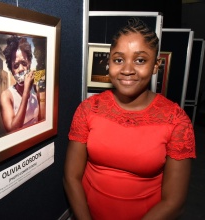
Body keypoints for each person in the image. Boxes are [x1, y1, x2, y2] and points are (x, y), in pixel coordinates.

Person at [63, 18, 196, 220]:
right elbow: (71, 177)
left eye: (140, 60)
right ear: (108, 63)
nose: (127, 69)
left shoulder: (176, 120)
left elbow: (174, 202)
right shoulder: (89, 109)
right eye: (118, 60)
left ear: (155, 66)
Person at [0, 35, 45, 133]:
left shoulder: (36, 89)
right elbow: (12, 129)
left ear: (29, 64)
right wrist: (25, 94)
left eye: (24, 64)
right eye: (16, 66)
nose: (21, 69)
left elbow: (42, 120)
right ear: (11, 71)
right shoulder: (6, 96)